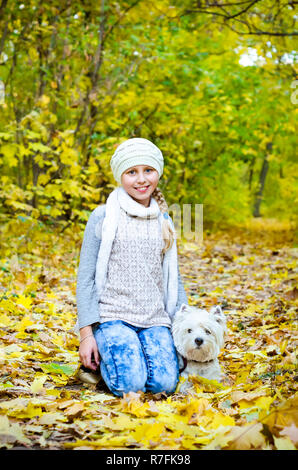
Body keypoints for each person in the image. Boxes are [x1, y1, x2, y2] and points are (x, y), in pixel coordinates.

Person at [75, 137, 188, 397]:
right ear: (120, 176)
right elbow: (86, 278)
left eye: (148, 170)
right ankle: (103, 361)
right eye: (131, 172)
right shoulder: (103, 216)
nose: (141, 179)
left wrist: (183, 325)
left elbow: (173, 278)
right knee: (130, 385)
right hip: (112, 317)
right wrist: (86, 335)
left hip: (155, 319)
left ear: (158, 172)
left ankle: (131, 353)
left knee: (165, 385)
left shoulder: (164, 219)